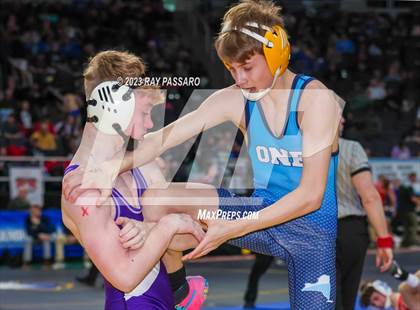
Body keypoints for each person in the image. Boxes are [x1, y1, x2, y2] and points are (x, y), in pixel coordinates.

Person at [63, 1, 343, 309]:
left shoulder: (315, 100)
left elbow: (311, 196)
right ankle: (181, 289)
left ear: (276, 54)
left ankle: (160, 236)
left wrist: (235, 227)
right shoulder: (236, 99)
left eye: (247, 68)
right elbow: (163, 139)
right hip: (258, 212)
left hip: (311, 234)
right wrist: (108, 169)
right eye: (232, 69)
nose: (240, 79)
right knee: (160, 198)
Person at [61, 50, 208, 309]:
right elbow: (125, 277)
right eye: (145, 112)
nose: (151, 123)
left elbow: (194, 237)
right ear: (116, 106)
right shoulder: (83, 190)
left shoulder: (143, 164)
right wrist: (167, 224)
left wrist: (159, 228)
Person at [335, 118, 393, 310]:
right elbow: (369, 197)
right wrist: (384, 241)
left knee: (319, 298)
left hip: (313, 230)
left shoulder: (297, 150)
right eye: (338, 114)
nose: (343, 120)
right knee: (347, 296)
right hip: (350, 230)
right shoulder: (351, 148)